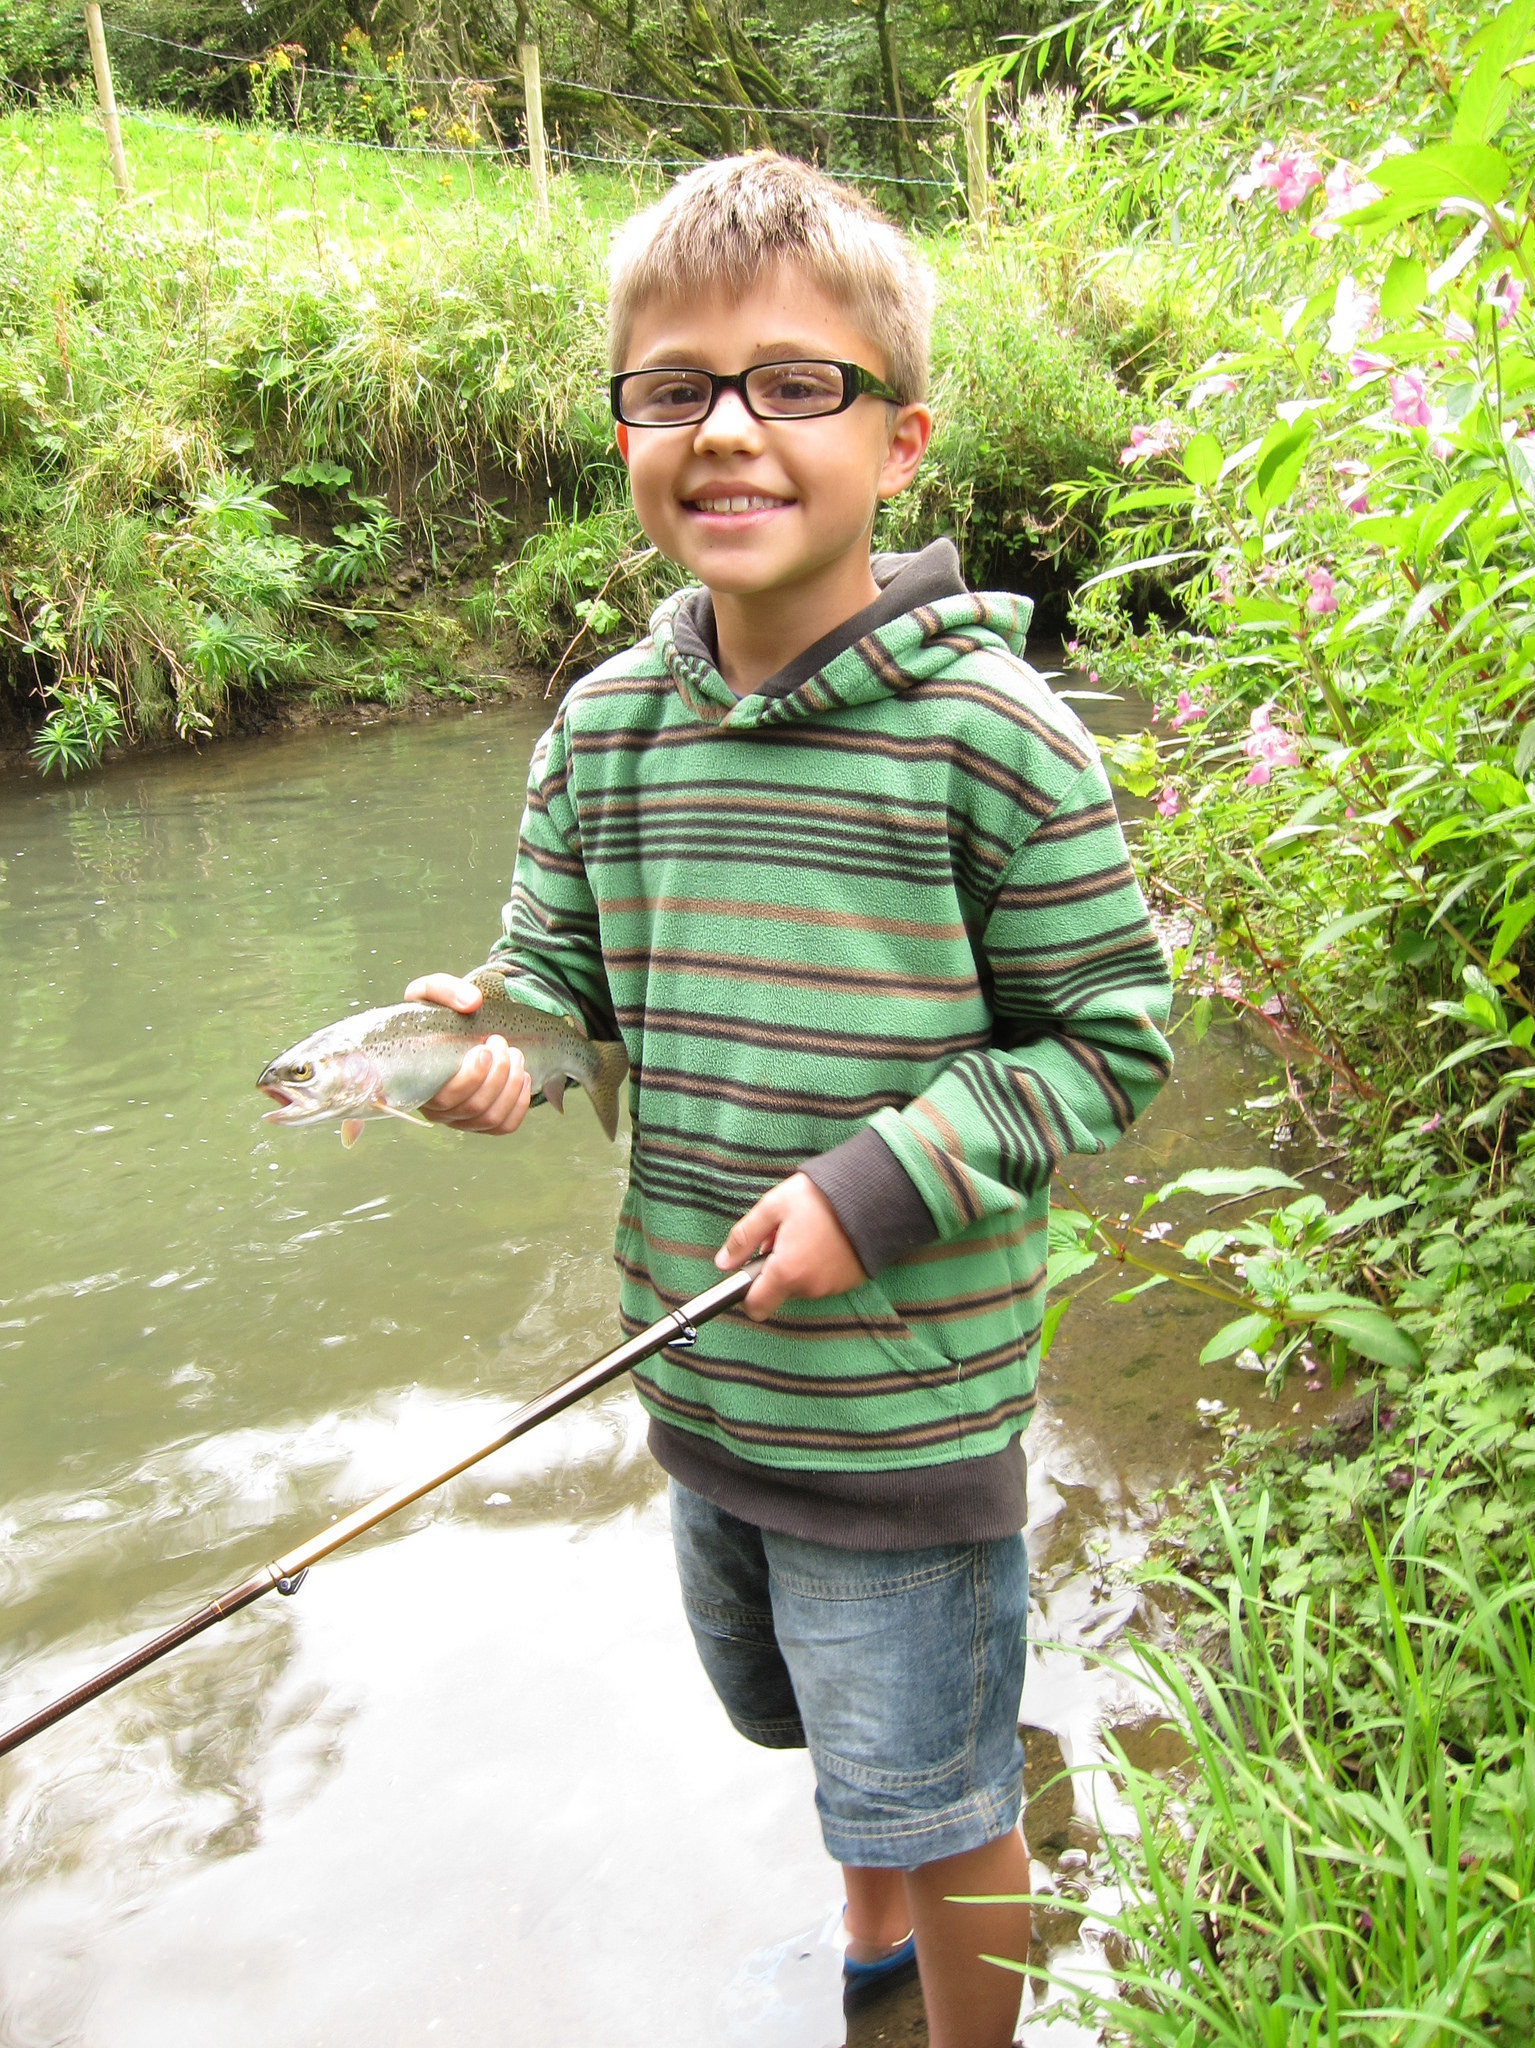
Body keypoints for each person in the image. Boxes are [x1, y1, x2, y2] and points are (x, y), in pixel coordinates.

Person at [405, 153, 1172, 2048]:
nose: (728, 432)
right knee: (822, 1744)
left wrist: (882, 1181)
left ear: (898, 438)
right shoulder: (603, 724)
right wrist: (490, 1041)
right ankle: (871, 1962)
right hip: (699, 1374)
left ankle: (953, 2011)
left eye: (793, 384)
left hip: (904, 1408)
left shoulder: (996, 732)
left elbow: (1112, 1034)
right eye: (674, 389)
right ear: (625, 434)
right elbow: (564, 984)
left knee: (946, 1796)